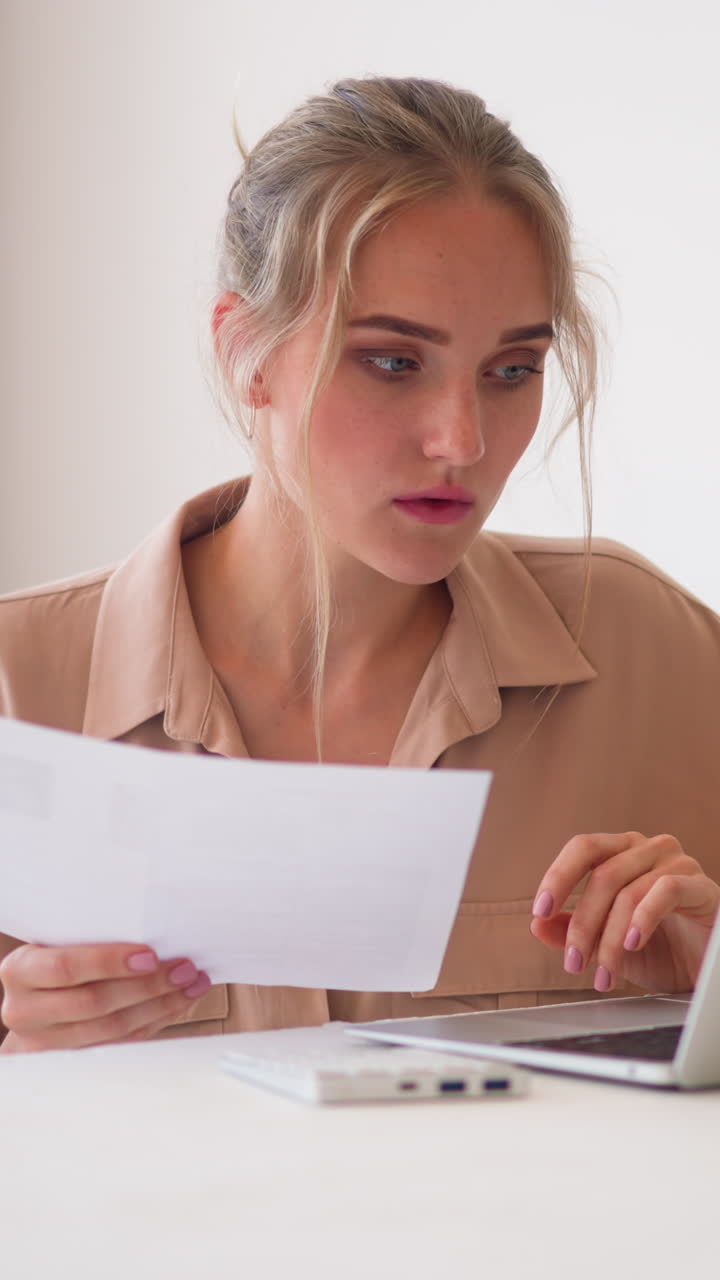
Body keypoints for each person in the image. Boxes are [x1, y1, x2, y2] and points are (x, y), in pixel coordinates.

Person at [1, 76, 719, 1055]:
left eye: (512, 370)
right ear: (244, 351)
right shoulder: (19, 686)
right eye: (391, 360)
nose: (460, 439)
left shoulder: (655, 655)